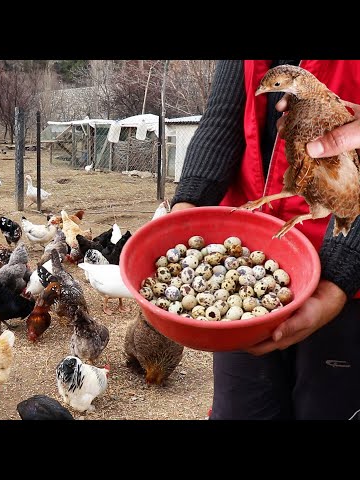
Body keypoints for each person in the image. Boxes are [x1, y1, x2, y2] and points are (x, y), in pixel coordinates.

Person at [170, 60, 360, 420]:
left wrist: (342, 274)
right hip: (248, 257)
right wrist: (188, 205)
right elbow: (224, 118)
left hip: (344, 277)